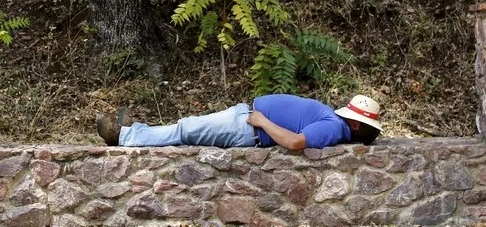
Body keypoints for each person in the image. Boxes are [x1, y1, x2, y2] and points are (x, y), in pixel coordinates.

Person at [97, 94, 382, 150]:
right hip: (246, 119)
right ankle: (136, 130)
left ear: (355, 125)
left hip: (248, 127)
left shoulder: (333, 128)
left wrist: (263, 121)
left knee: (185, 129)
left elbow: (296, 143)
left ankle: (123, 136)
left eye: (350, 115)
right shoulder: (335, 123)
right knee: (187, 127)